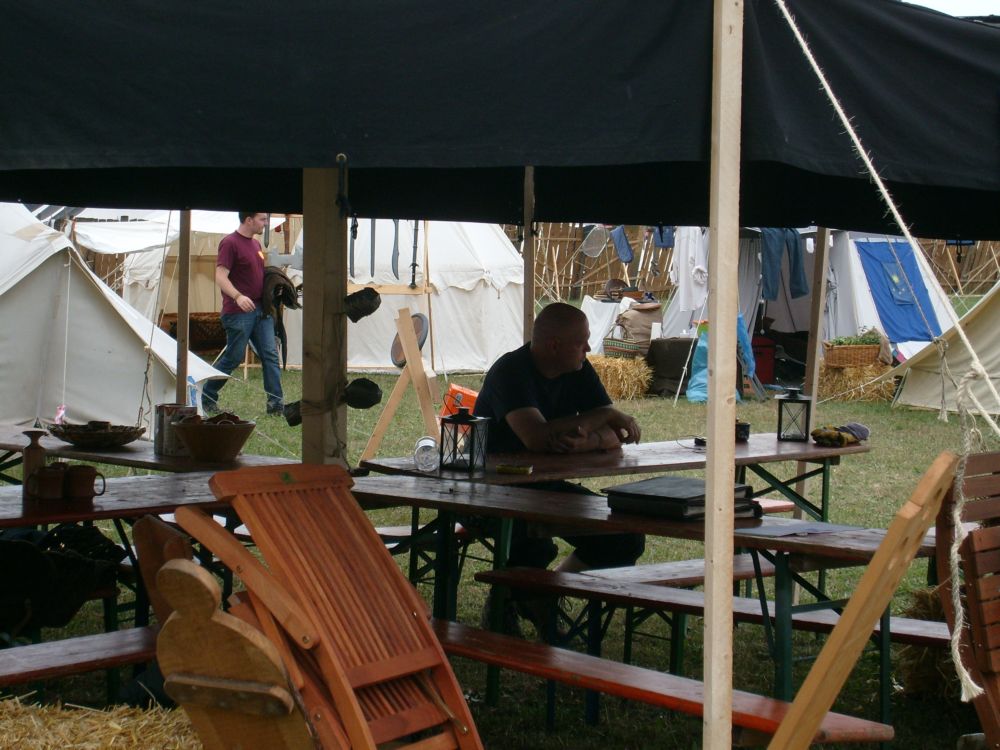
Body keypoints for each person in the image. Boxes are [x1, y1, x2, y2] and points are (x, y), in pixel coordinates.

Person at [473, 302, 645, 634]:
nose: (589, 349)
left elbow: (617, 434)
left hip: (545, 489)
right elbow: (536, 438)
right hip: (491, 493)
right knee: (530, 540)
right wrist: (604, 416)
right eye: (582, 342)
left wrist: (587, 441)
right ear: (554, 345)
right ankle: (513, 601)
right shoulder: (510, 371)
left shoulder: (578, 368)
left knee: (625, 538)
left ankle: (544, 593)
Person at [201, 212, 284, 416]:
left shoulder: (256, 244)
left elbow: (256, 276)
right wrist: (238, 296)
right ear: (248, 220)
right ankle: (206, 396)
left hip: (261, 310)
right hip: (238, 312)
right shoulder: (230, 243)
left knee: (270, 355)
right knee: (233, 357)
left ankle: (276, 405)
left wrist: (274, 286)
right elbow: (220, 277)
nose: (266, 223)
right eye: (262, 219)